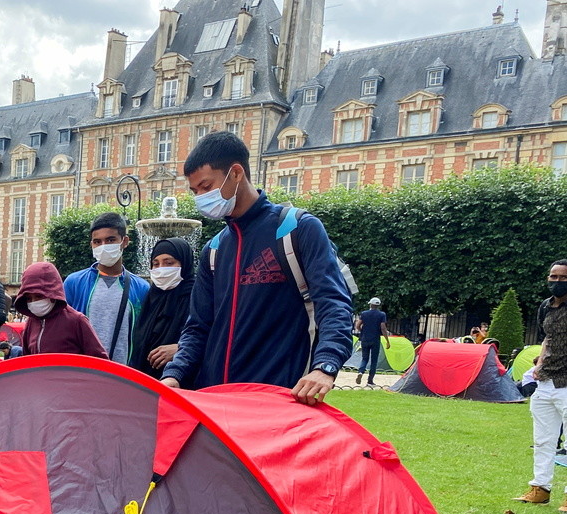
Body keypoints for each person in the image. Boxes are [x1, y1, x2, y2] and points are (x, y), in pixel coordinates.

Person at [160, 131, 353, 405]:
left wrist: (325, 366)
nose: (201, 198)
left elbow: (333, 303)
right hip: (216, 398)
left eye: (206, 186)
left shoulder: (297, 228)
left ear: (236, 173)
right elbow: (198, 326)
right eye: (195, 192)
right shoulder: (213, 249)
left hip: (278, 397)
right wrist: (175, 374)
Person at [63, 212, 149, 365]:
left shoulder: (141, 288)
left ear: (125, 241)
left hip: (124, 376)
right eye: (97, 242)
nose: (103, 246)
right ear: (92, 245)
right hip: (83, 373)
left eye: (110, 240)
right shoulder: (74, 283)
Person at [515, 259, 567, 509]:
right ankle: (540, 488)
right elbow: (546, 337)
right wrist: (539, 365)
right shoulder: (545, 306)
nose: (556, 282)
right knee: (544, 439)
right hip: (545, 381)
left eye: (562, 278)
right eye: (553, 277)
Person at [128, 238, 197, 378]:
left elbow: (210, 335)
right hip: (148, 381)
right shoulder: (152, 297)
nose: (161, 269)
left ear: (184, 263)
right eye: (155, 264)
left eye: (169, 263)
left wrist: (180, 349)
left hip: (186, 381)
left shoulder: (198, 296)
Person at [15, 261, 107, 358]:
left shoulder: (76, 321)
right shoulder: (31, 323)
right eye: (29, 299)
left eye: (39, 296)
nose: (34, 302)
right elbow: (26, 360)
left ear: (51, 293)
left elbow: (100, 360)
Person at [354, 297, 392, 386]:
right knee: (374, 361)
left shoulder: (364, 313)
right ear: (378, 305)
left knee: (364, 358)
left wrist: (362, 331)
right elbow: (383, 328)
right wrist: (387, 340)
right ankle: (370, 381)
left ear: (370, 304)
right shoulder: (382, 314)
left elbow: (358, 325)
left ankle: (360, 372)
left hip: (364, 339)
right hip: (375, 339)